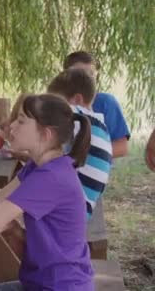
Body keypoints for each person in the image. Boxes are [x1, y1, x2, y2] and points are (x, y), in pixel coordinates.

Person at [0, 94, 94, 290]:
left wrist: (7, 224)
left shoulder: (50, 177)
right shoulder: (39, 167)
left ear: (46, 134)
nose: (11, 126)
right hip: (43, 283)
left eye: (21, 121)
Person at [63, 51, 130, 258]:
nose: (85, 81)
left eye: (90, 75)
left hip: (89, 180)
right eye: (78, 75)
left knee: (91, 239)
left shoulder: (106, 103)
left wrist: (91, 153)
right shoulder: (60, 105)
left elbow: (122, 147)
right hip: (62, 178)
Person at [47, 69, 113, 220]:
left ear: (77, 99)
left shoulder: (77, 116)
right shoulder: (101, 128)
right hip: (79, 213)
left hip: (65, 215)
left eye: (57, 101)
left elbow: (42, 111)